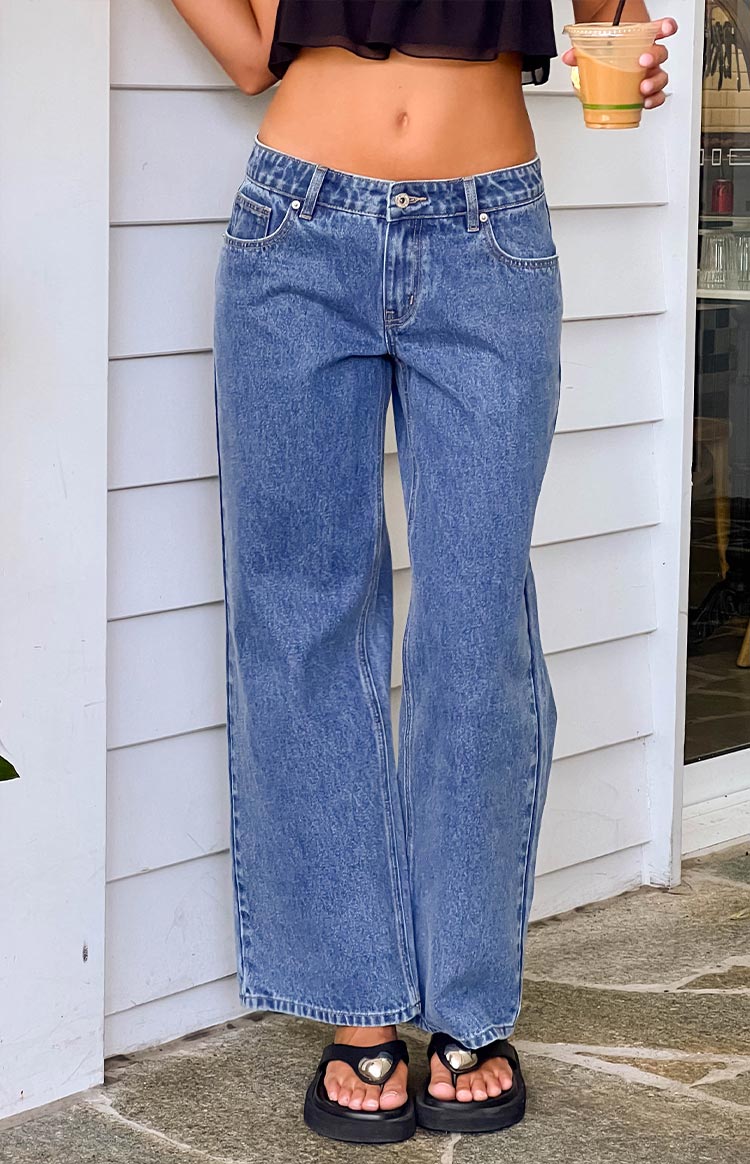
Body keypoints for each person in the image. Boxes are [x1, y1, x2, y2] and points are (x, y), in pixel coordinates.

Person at [172, 0, 675, 1145]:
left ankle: (468, 1001)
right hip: (296, 223)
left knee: (474, 624)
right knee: (300, 617)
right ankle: (357, 1011)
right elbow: (253, 53)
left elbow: (609, 11)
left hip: (489, 232)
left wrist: (629, 40)